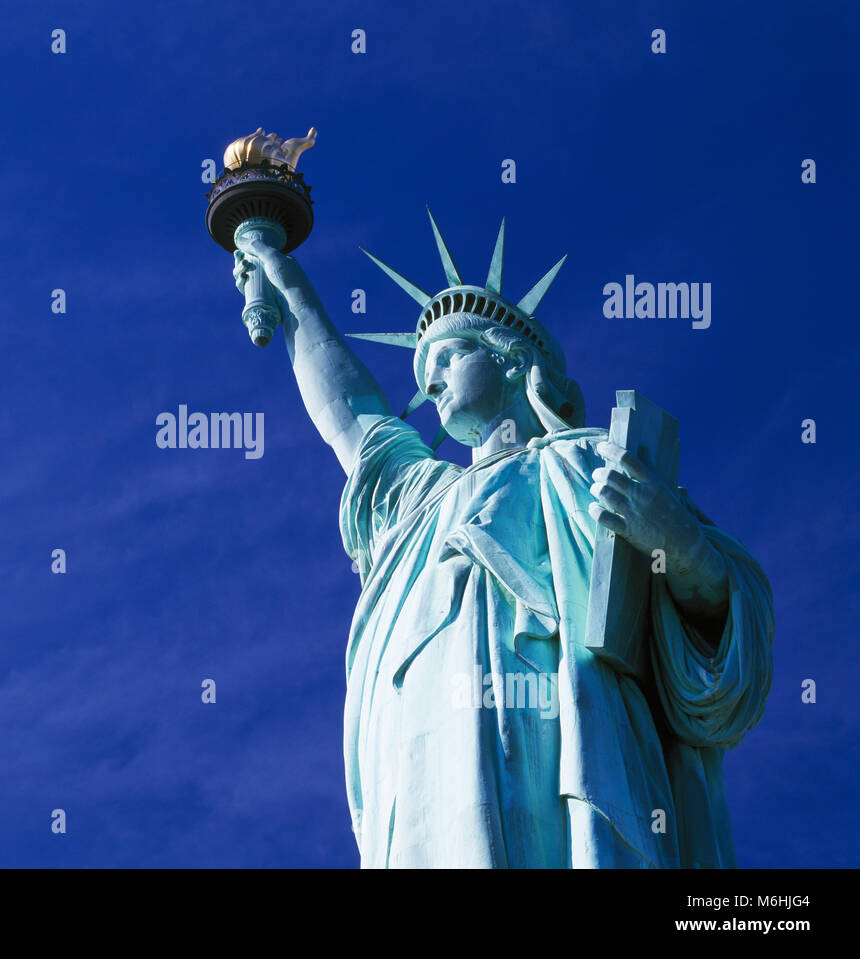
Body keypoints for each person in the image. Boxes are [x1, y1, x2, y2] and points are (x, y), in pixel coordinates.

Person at [231, 216, 773, 867]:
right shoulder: (421, 502)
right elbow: (352, 415)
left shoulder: (590, 468)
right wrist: (284, 276)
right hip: (429, 780)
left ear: (514, 360)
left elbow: (729, 645)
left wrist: (679, 543)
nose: (431, 382)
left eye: (449, 356)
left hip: (569, 757)